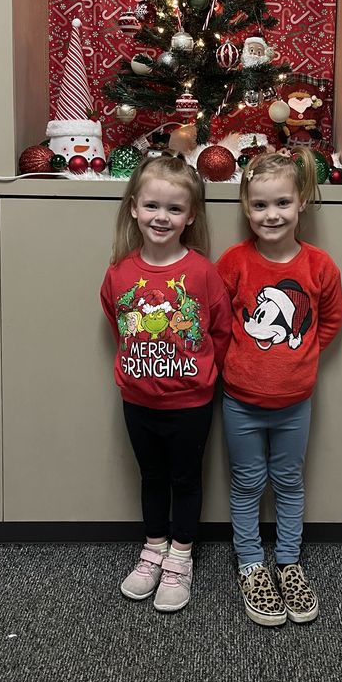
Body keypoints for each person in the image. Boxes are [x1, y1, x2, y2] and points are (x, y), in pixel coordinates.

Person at [217, 151, 342, 627]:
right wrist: (239, 361)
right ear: (246, 208)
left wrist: (303, 353)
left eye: (282, 203)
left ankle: (288, 562)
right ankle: (251, 565)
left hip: (295, 403)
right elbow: (219, 322)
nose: (271, 215)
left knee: (288, 481)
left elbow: (329, 321)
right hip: (240, 402)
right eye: (259, 205)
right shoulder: (233, 262)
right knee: (247, 482)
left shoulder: (319, 266)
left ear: (302, 203)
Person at [100, 154, 232, 613]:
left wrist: (198, 371)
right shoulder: (119, 272)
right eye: (153, 206)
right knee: (151, 477)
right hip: (137, 400)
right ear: (134, 207)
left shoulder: (201, 272)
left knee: (185, 479)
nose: (162, 217)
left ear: (191, 215)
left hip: (190, 403)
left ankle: (180, 557)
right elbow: (118, 323)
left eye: (175, 209)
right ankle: (153, 550)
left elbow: (220, 330)